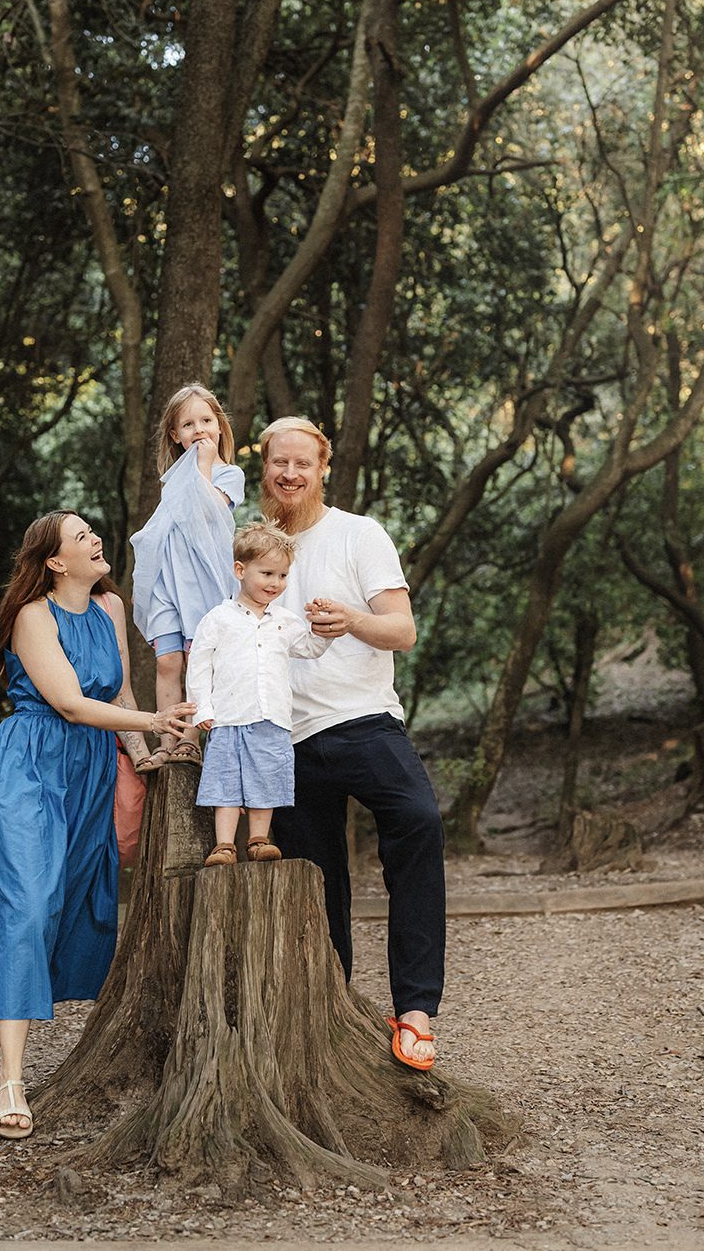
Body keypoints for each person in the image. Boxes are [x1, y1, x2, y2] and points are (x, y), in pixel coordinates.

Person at [0, 511, 194, 1139]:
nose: (96, 541)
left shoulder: (109, 609)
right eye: (82, 537)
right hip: (28, 767)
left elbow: (123, 697)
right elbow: (69, 702)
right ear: (55, 561)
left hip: (88, 776)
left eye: (93, 534)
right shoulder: (33, 616)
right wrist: (158, 726)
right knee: (25, 907)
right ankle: (12, 1082)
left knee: (50, 906)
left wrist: (145, 756)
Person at [260, 417, 444, 1072]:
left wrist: (354, 621)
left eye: (302, 463)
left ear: (323, 465)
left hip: (364, 720)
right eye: (279, 462)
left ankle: (416, 1011)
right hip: (284, 736)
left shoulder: (358, 533)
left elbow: (403, 630)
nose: (290, 474)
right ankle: (332, 1007)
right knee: (315, 880)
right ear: (264, 465)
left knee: (418, 821)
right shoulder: (248, 544)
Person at [186, 521, 331, 868]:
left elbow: (309, 648)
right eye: (267, 573)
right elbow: (200, 665)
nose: (275, 583)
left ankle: (258, 839)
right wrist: (202, 707)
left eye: (282, 576)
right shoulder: (218, 619)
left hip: (272, 718)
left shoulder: (285, 620)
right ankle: (224, 845)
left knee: (266, 780)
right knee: (226, 782)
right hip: (228, 718)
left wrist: (324, 628)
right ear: (240, 570)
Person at [130, 385, 245, 767]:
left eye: (207, 421)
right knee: (167, 663)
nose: (199, 430)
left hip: (203, 583)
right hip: (166, 583)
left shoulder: (229, 474)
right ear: (174, 435)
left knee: (197, 661)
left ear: (220, 427)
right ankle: (168, 736)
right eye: (188, 424)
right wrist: (143, 584)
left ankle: (190, 739)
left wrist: (204, 466)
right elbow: (156, 536)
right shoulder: (171, 483)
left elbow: (210, 510)